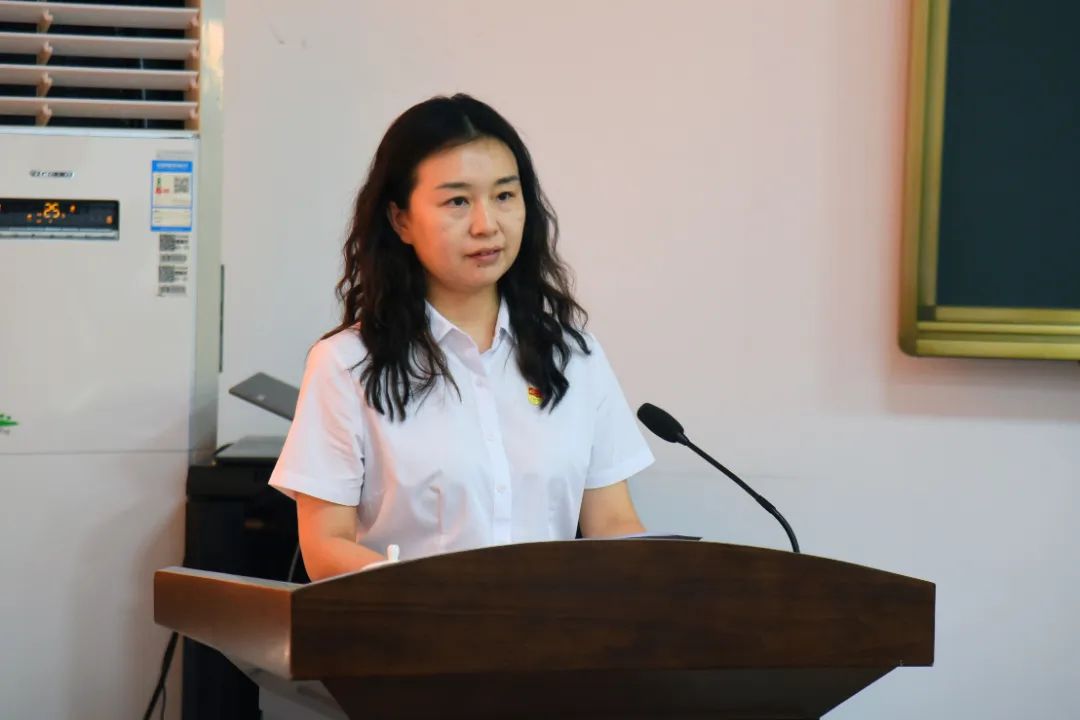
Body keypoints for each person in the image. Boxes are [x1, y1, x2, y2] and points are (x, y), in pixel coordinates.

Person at [269, 94, 654, 581]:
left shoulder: (574, 356)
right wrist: (444, 600)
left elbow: (613, 524)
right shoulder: (346, 364)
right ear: (401, 220)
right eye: (457, 201)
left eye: (504, 196)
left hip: (550, 627)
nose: (486, 225)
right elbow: (326, 547)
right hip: (409, 626)